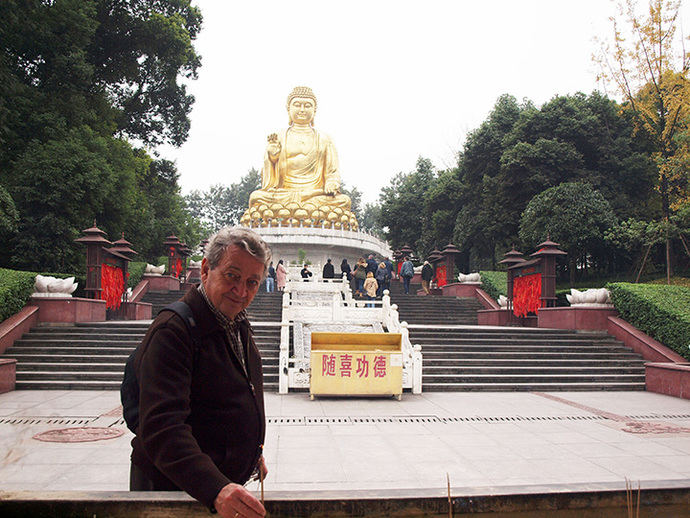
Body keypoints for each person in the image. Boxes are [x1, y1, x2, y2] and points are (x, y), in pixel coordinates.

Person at [129, 226, 269, 518]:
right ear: (206, 270)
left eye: (252, 282)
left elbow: (231, 395)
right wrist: (215, 488)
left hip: (219, 488)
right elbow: (163, 428)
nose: (241, 291)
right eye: (232, 276)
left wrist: (251, 451)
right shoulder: (174, 330)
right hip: (177, 489)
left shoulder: (236, 322)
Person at [240, 86, 357, 230]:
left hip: (314, 194)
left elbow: (332, 171)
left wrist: (331, 183)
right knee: (256, 198)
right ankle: (302, 212)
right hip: (284, 194)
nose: (302, 109)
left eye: (307, 106)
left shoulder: (325, 139)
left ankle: (296, 212)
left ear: (314, 111)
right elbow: (269, 181)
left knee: (344, 201)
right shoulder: (279, 136)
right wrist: (272, 156)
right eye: (297, 105)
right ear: (288, 109)